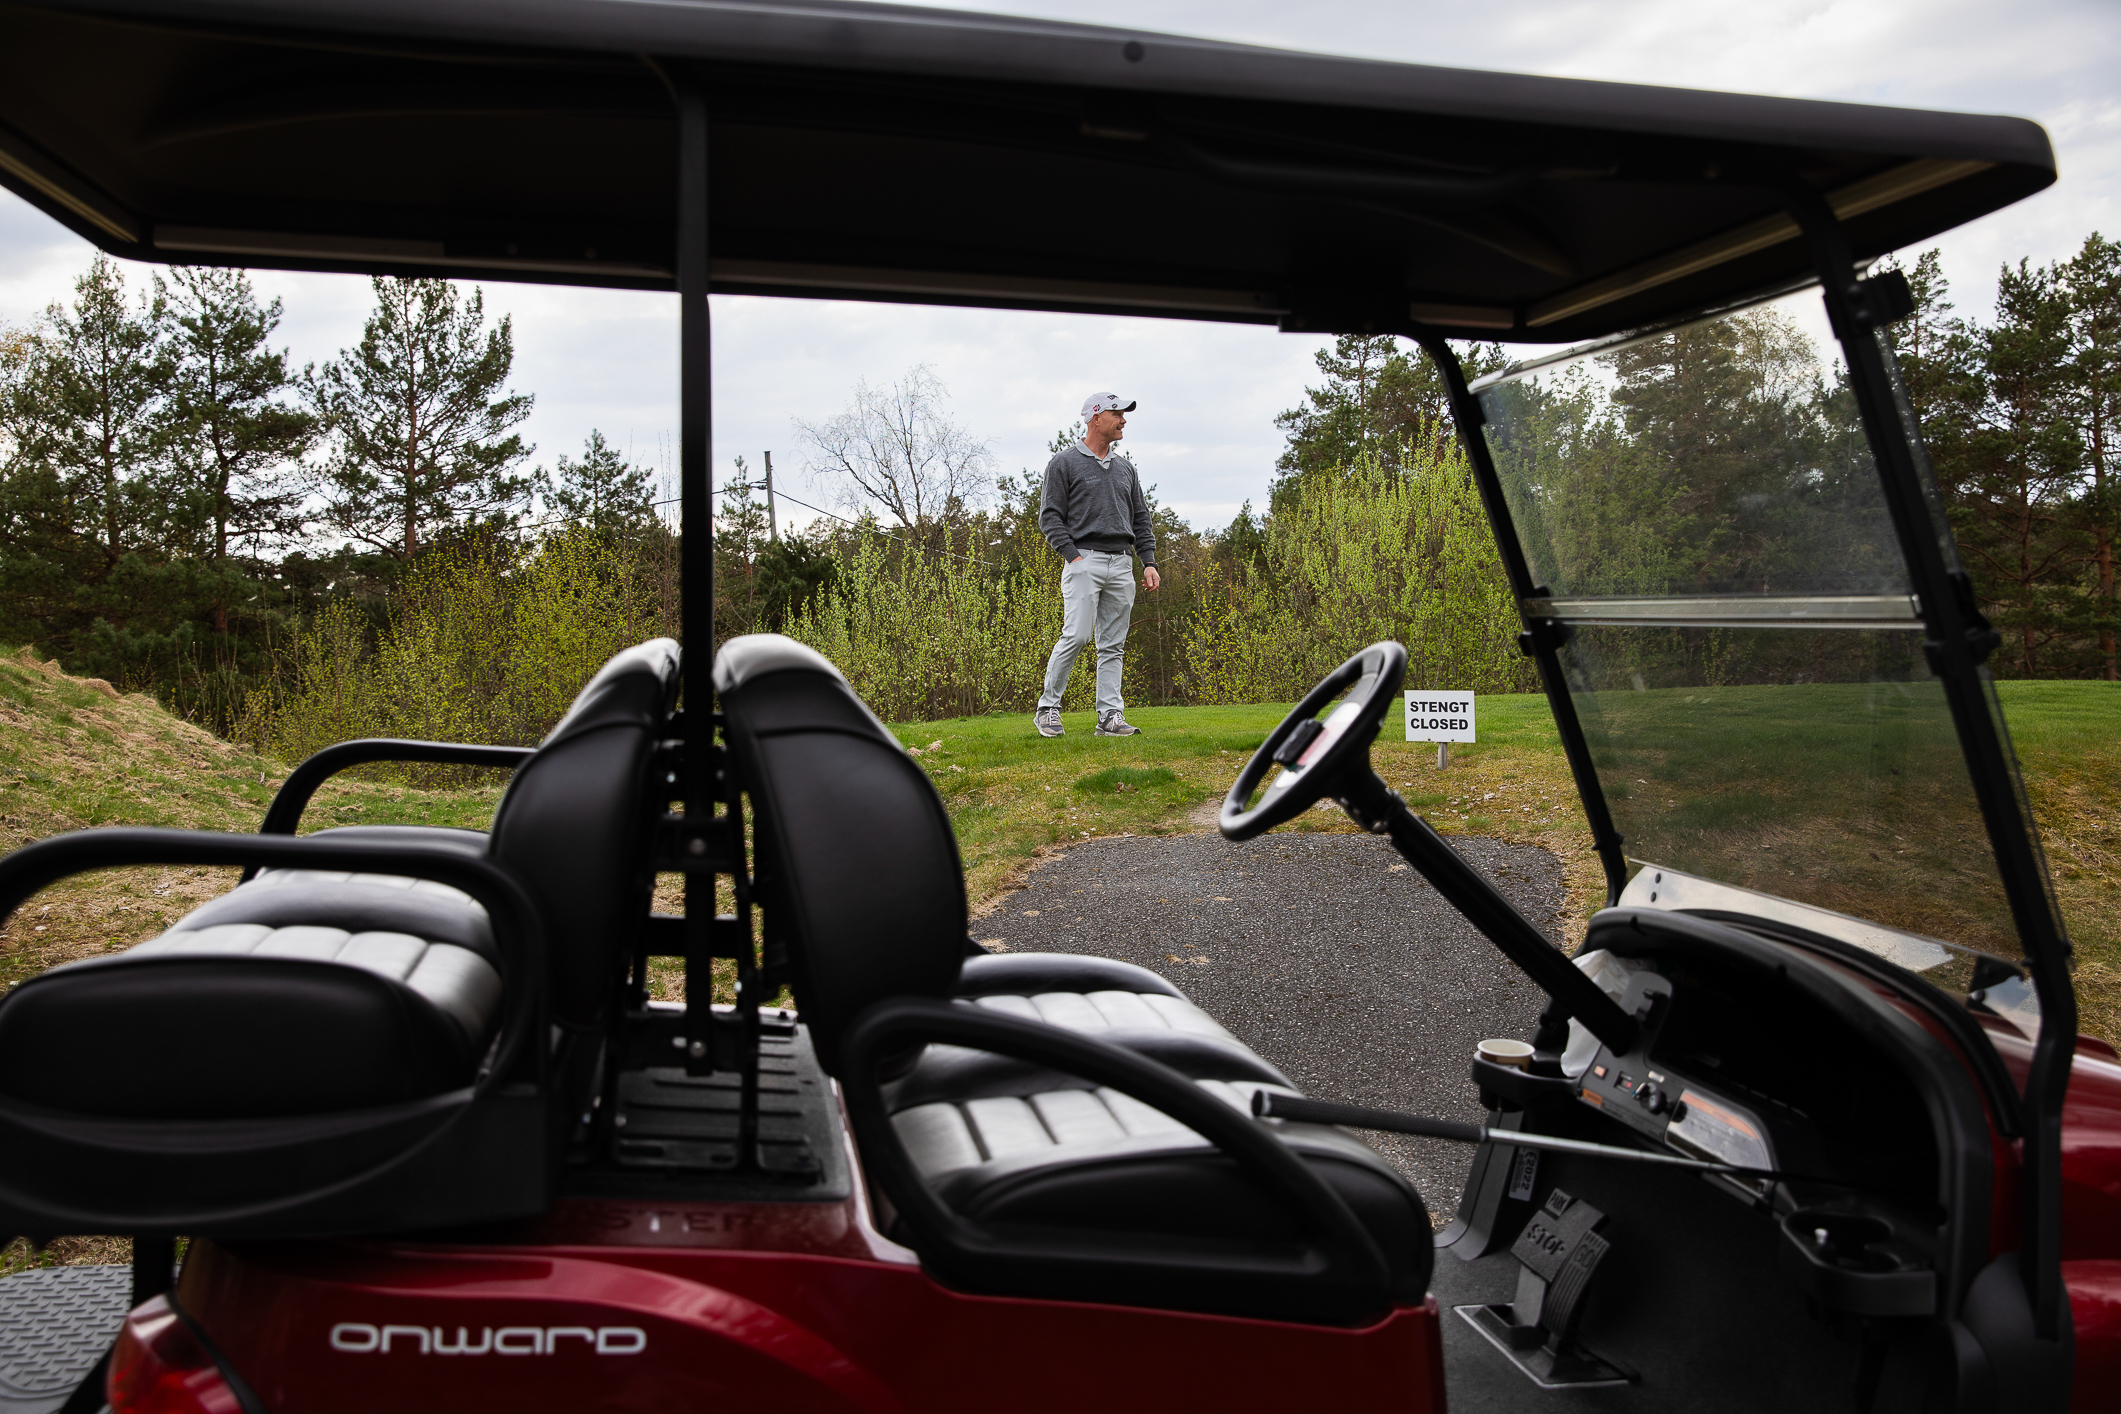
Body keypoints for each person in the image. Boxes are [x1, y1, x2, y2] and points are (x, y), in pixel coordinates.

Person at [1033, 392, 1160, 738]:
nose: (1123, 421)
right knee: (1076, 635)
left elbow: (1141, 520)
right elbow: (1050, 517)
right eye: (1117, 414)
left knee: (1113, 645)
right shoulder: (1064, 463)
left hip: (1122, 563)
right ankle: (1048, 709)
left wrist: (1147, 562)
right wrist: (1073, 556)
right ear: (1095, 418)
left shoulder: (1125, 468)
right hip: (1083, 559)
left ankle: (1110, 717)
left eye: (1123, 414)